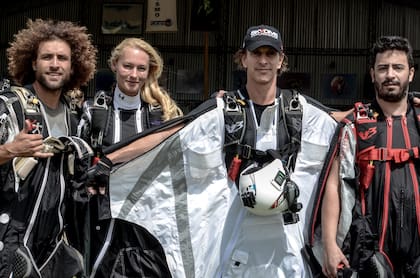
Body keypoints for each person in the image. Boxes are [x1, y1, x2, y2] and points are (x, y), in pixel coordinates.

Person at [90, 25, 338, 277]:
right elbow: (168, 136)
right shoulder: (220, 111)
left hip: (289, 258)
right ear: (244, 58)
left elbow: (343, 126)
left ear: (280, 59)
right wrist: (107, 162)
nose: (263, 60)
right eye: (256, 53)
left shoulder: (303, 113)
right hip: (231, 256)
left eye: (270, 54)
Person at [77, 37, 183, 277]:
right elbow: (78, 168)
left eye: (141, 68)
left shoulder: (163, 115)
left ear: (149, 71)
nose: (133, 74)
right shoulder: (93, 111)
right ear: (114, 65)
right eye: (127, 66)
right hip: (102, 223)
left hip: (149, 223)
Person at [0, 18, 97, 277]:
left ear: (73, 65)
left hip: (54, 248)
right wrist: (10, 150)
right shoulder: (10, 107)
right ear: (33, 62)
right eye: (47, 57)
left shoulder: (76, 117)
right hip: (9, 243)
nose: (55, 64)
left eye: (62, 58)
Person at [320, 36, 419, 277]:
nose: (390, 75)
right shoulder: (355, 126)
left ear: (411, 73)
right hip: (370, 251)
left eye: (398, 67)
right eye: (383, 68)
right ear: (372, 74)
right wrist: (329, 245)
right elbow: (334, 185)